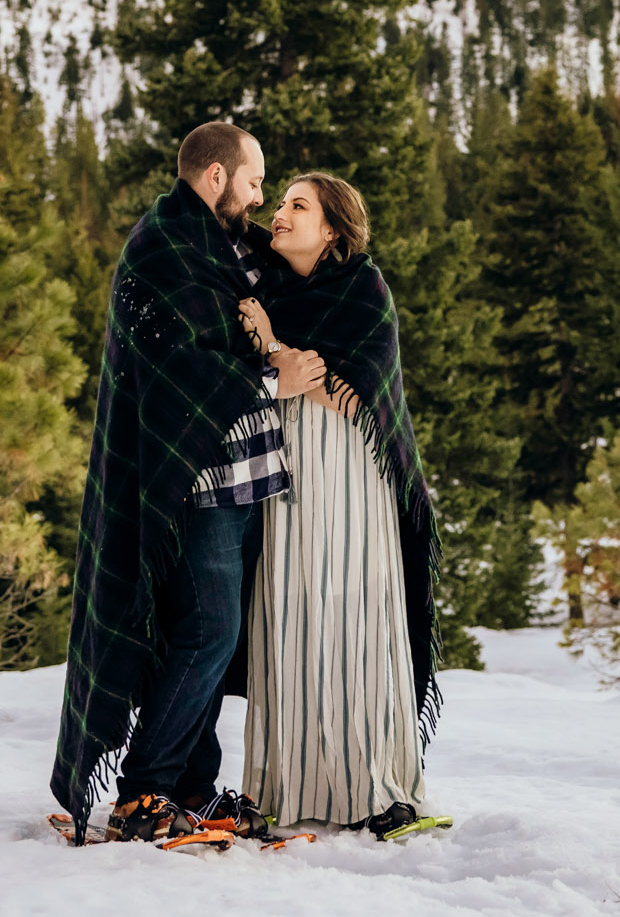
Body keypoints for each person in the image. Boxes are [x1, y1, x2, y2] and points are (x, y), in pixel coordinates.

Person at [50, 123, 327, 844]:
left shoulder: (223, 245)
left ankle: (193, 791)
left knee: (204, 637)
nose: (262, 196)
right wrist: (273, 374)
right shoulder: (164, 248)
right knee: (209, 631)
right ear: (214, 177)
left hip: (240, 477)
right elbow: (177, 367)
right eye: (255, 180)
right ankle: (143, 791)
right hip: (197, 480)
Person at [236, 173, 441, 837]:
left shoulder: (363, 291)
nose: (280, 214)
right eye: (280, 203)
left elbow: (356, 396)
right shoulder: (257, 288)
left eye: (298, 205)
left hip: (350, 468)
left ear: (332, 229)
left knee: (353, 612)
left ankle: (377, 788)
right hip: (281, 465)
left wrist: (273, 347)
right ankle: (284, 788)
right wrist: (280, 360)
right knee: (287, 612)